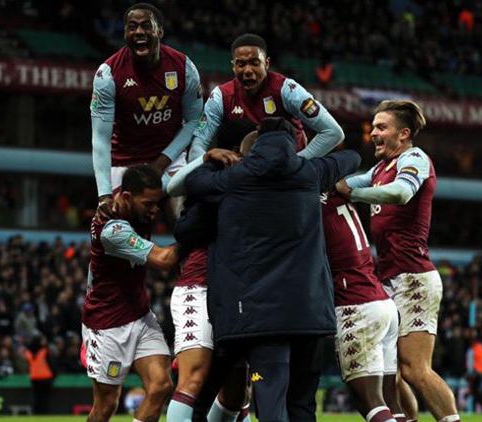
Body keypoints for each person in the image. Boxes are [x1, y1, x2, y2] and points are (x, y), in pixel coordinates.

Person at [185, 117, 361, 421]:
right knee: (303, 405)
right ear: (292, 141)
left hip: (261, 314)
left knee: (269, 403)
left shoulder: (235, 178)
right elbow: (352, 157)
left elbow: (193, 184)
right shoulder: (310, 172)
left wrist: (211, 160)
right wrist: (305, 160)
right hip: (309, 311)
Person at [339, 100, 460, 422]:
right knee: (389, 370)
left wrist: (353, 194)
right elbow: (344, 185)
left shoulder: (415, 158)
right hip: (389, 278)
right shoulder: (378, 170)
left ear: (403, 134)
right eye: (373, 127)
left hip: (415, 278)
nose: (373, 132)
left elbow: (401, 193)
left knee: (414, 368)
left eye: (381, 127)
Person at [165, 122, 250, 422]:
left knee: (237, 389)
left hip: (235, 294)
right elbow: (177, 206)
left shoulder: (253, 186)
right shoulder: (207, 183)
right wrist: (204, 162)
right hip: (197, 287)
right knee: (194, 376)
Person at [82, 165, 178, 422]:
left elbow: (175, 176)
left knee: (161, 386)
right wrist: (198, 231)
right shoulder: (112, 230)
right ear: (126, 197)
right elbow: (165, 259)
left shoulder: (132, 206)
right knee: (106, 406)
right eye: (148, 203)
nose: (155, 209)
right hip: (108, 324)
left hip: (140, 315)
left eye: (157, 203)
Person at [90, 3, 203, 219]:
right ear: (125, 32)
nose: (139, 32)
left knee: (186, 219)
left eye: (146, 26)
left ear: (159, 31)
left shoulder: (184, 67)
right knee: (117, 227)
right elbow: (100, 138)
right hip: (125, 161)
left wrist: (161, 162)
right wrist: (103, 195)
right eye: (132, 27)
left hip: (170, 157)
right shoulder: (107, 75)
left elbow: (194, 121)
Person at [188, 33, 343, 161]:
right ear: (233, 66)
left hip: (289, 174)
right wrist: (207, 159)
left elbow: (333, 132)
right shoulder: (220, 96)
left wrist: (297, 162)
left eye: (255, 63)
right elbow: (198, 144)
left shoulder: (288, 90)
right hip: (245, 172)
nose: (248, 70)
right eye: (241, 64)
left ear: (267, 64)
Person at [321, 187, 402, 422]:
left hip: (356, 305)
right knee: (389, 398)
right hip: (383, 303)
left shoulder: (311, 204)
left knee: (368, 401)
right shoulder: (338, 196)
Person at [23, 335, 55, 414]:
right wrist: (55, 374)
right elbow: (51, 363)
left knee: (37, 397)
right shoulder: (44, 350)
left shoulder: (28, 352)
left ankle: (37, 413)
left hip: (34, 377)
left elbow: (27, 365)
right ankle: (45, 412)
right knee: (45, 398)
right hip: (46, 377)